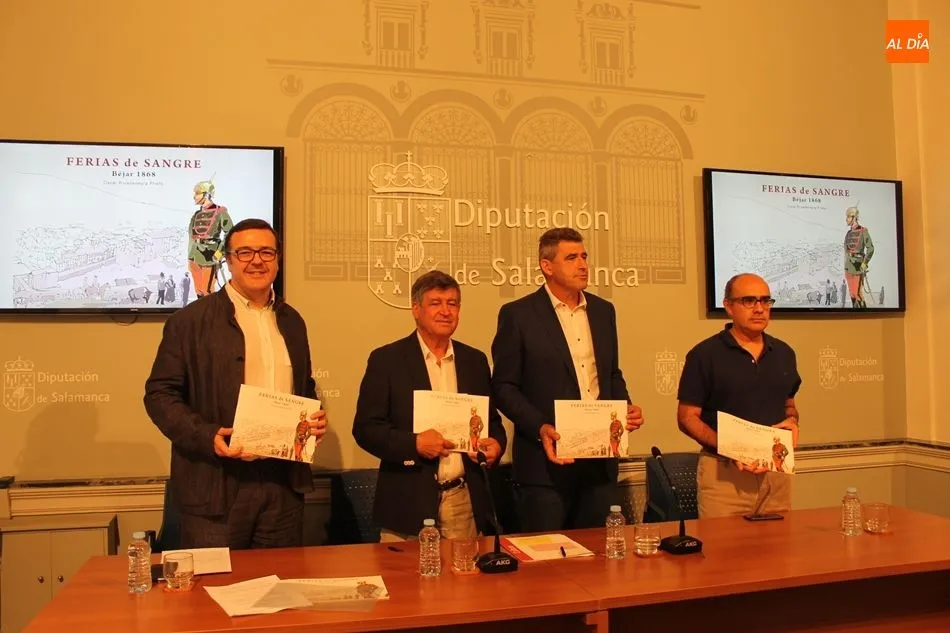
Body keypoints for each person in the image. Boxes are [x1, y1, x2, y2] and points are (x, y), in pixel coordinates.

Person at [144, 218, 328, 549]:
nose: (257, 260)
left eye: (266, 252)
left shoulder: (293, 322)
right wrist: (207, 435)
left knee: (279, 593)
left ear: (277, 259)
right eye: (245, 252)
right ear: (228, 260)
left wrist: (314, 418)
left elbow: (304, 387)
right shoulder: (190, 322)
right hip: (216, 486)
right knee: (212, 596)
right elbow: (160, 395)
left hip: (283, 486)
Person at [491, 227, 644, 532]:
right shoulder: (518, 315)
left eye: (584, 256)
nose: (583, 264)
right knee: (546, 568)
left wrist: (625, 406)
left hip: (599, 463)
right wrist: (540, 427)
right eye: (572, 257)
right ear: (547, 266)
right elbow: (504, 387)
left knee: (600, 560)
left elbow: (611, 373)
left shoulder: (603, 311)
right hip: (545, 467)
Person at [352, 270, 506, 541]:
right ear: (416, 309)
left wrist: (495, 445)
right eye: (436, 303)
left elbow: (492, 422)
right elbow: (366, 429)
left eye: (453, 303)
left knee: (467, 583)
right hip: (408, 505)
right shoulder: (386, 360)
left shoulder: (474, 360)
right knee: (407, 583)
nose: (446, 311)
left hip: (465, 503)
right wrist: (415, 444)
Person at [676, 273, 801, 518]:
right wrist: (731, 448)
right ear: (728, 306)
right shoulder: (704, 355)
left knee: (778, 551)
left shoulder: (784, 353)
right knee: (724, 553)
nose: (759, 309)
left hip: (775, 474)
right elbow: (687, 418)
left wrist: (793, 422)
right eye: (749, 301)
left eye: (765, 301)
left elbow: (789, 406)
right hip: (723, 476)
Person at [188, 179, 234, 298]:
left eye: (197, 193)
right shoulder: (196, 214)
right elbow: (191, 236)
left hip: (210, 256)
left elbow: (230, 233)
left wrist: (220, 252)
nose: (194, 197)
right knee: (198, 291)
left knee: (207, 291)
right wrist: (190, 256)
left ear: (206, 194)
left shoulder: (220, 211)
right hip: (194, 256)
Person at [844, 206, 874, 309]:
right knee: (852, 294)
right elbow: (846, 251)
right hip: (848, 266)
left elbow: (870, 249)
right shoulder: (848, 233)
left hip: (858, 266)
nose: (846, 219)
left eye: (848, 217)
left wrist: (865, 263)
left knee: (858, 294)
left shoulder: (863, 231)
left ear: (854, 217)